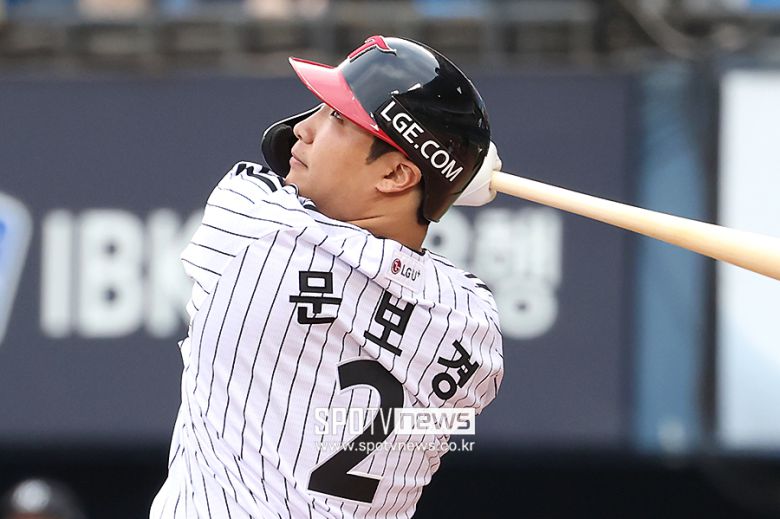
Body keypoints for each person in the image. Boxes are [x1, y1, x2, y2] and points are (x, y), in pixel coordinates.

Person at [150, 35, 504, 518]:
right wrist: (448, 174)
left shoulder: (257, 229)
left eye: (337, 117)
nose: (304, 128)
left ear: (397, 175)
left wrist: (453, 176)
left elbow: (274, 154)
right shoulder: (475, 326)